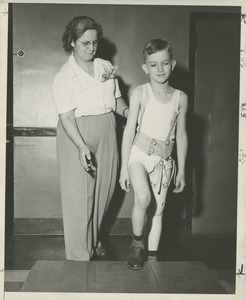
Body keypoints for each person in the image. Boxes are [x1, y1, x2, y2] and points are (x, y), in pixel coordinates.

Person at [52, 16, 128, 261]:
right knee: (79, 198)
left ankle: (92, 241)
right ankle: (79, 256)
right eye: (85, 43)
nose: (91, 48)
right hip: (77, 132)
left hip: (107, 128)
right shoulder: (64, 76)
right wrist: (81, 145)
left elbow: (116, 100)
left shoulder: (104, 66)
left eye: (94, 43)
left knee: (104, 191)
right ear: (72, 42)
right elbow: (65, 117)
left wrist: (128, 112)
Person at [119, 39, 188, 270]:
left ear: (173, 64)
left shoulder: (181, 98)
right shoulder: (140, 93)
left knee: (158, 211)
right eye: (153, 64)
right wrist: (122, 170)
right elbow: (129, 132)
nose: (160, 69)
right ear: (145, 67)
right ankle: (137, 245)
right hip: (138, 154)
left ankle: (153, 259)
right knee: (143, 197)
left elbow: (182, 135)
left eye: (165, 63)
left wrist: (182, 171)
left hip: (163, 161)